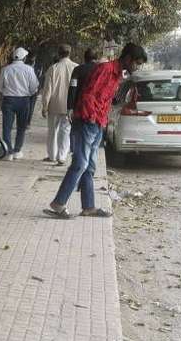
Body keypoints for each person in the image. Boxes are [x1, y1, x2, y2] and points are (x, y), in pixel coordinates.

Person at [45, 43, 147, 219]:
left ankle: (88, 207)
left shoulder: (117, 75)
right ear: (128, 58)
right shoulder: (106, 69)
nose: (137, 67)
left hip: (97, 123)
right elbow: (88, 95)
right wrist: (91, 118)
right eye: (137, 63)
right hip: (87, 122)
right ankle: (58, 204)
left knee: (89, 167)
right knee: (80, 164)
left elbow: (105, 99)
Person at [0, 47, 39, 160]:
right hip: (23, 101)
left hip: (8, 101)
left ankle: (8, 152)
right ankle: (17, 150)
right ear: (24, 58)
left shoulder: (5, 69)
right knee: (21, 127)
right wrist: (28, 93)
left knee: (7, 127)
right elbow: (34, 87)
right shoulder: (29, 69)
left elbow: (0, 88)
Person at [40, 45, 78, 165]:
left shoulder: (53, 68)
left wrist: (44, 106)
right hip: (69, 106)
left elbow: (47, 90)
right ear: (69, 53)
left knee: (52, 131)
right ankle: (62, 157)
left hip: (54, 105)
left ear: (59, 53)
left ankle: (52, 156)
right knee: (66, 131)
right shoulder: (76, 67)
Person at [66, 48, 100, 115]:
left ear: (85, 58)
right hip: (95, 108)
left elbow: (73, 88)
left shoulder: (77, 70)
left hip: (79, 106)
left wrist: (70, 107)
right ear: (96, 58)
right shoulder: (101, 70)